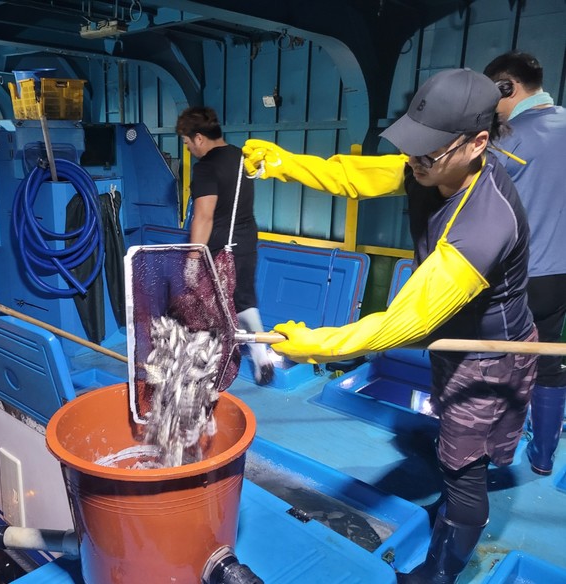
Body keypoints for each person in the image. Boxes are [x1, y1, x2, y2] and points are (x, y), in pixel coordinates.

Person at [243, 69, 537, 584]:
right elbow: (354, 176)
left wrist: (317, 344)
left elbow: (406, 321)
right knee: (454, 447)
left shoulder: (486, 221)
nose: (414, 159)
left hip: (491, 354)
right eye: (412, 146)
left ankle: (438, 574)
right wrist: (284, 163)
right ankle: (453, 493)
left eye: (429, 151)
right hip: (454, 338)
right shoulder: (429, 167)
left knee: (464, 472)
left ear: (477, 143)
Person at [483, 51, 566, 476]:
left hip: (523, 276)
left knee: (497, 361)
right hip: (561, 274)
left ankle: (491, 452)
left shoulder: (508, 139)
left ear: (507, 87)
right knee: (549, 359)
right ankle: (544, 455)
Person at [176, 106, 274, 385]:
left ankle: (206, 366)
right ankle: (262, 356)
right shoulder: (240, 156)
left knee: (205, 304)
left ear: (199, 138)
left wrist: (193, 258)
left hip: (220, 247)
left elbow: (203, 217)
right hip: (246, 239)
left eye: (187, 142)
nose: (188, 148)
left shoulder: (206, 167)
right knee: (244, 298)